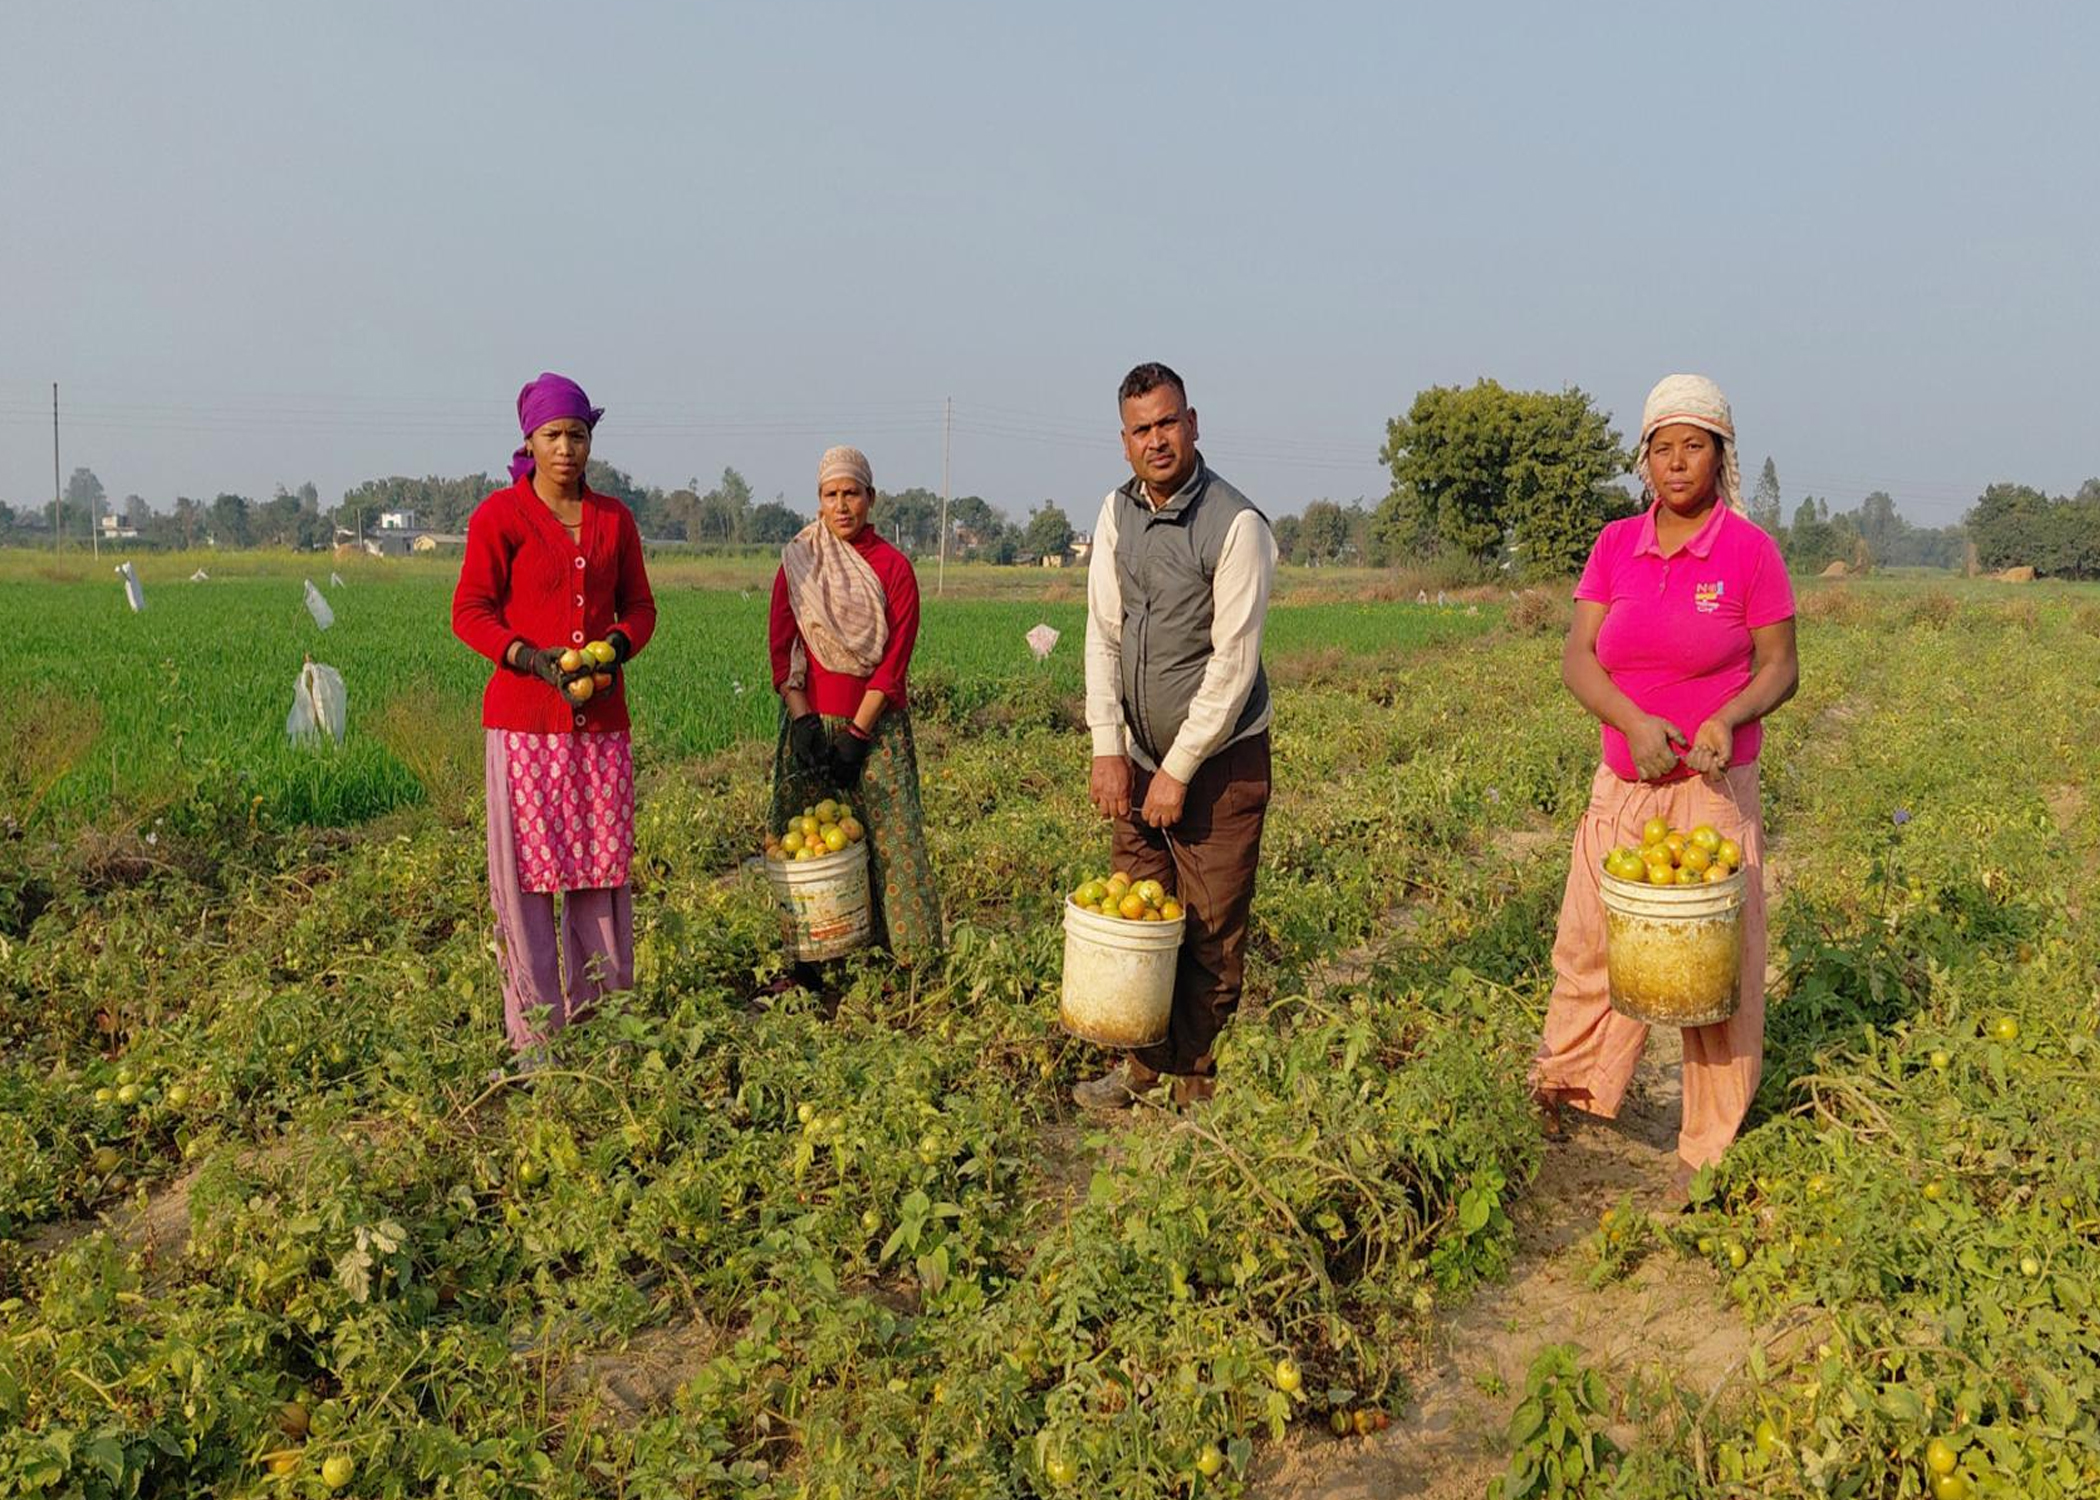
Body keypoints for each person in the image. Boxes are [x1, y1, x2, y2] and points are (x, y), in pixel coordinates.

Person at [1530, 373, 1798, 1193]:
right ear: (1644, 459)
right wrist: (1633, 722)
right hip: (1625, 787)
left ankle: (1706, 1147)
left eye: (1694, 446)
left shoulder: (1749, 552)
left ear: (1721, 457)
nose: (1677, 462)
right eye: (1662, 448)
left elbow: (1780, 667)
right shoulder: (1616, 545)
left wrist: (1728, 717)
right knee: (1589, 946)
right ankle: (1568, 1093)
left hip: (1711, 794)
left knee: (1714, 972)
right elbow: (1579, 658)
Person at [1074, 363, 1278, 1110]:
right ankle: (1141, 1066)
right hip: (1137, 755)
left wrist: (1180, 768)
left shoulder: (1237, 523)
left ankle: (1196, 1078)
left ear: (1192, 424)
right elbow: (1103, 632)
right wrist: (1108, 743)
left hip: (1221, 761)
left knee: (1211, 923)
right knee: (1140, 907)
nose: (1156, 440)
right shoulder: (1115, 512)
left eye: (1167, 423)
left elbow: (1233, 664)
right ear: (1124, 440)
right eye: (1141, 429)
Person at [451, 372, 656, 1064]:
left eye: (577, 434)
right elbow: (470, 611)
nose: (566, 448)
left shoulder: (614, 520)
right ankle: (537, 1039)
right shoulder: (500, 517)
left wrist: (617, 646)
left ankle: (606, 1031)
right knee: (526, 884)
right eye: (552, 435)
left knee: (600, 873)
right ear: (529, 442)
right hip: (524, 726)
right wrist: (530, 659)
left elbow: (641, 607)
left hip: (600, 724)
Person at [767, 446, 942, 970]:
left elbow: (893, 662)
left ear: (872, 497)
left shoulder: (894, 568)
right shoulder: (799, 562)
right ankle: (812, 962)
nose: (842, 506)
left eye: (852, 493)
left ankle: (907, 964)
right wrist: (803, 719)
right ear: (818, 500)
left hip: (877, 728)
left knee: (892, 846)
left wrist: (858, 734)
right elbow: (783, 650)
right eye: (831, 495)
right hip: (809, 727)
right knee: (806, 847)